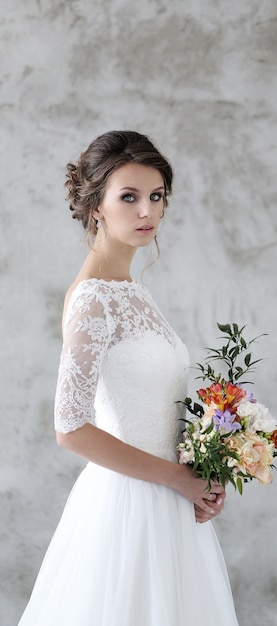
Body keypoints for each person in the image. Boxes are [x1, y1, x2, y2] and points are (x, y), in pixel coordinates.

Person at [18, 130, 239, 626]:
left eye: (156, 196)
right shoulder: (94, 297)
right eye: (129, 197)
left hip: (170, 503)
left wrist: (206, 465)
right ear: (97, 205)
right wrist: (181, 479)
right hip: (129, 510)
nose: (147, 212)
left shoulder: (132, 290)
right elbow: (70, 428)